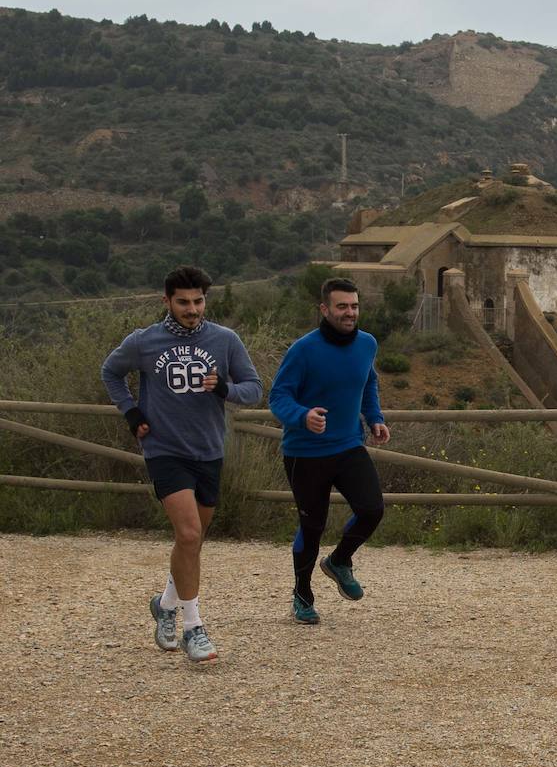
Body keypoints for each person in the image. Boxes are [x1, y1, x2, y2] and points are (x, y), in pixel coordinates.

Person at [101, 265, 263, 664]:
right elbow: (111, 372)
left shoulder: (225, 340)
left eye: (198, 301)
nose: (192, 309)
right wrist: (130, 411)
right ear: (167, 302)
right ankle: (193, 627)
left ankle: (166, 602)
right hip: (164, 449)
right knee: (189, 534)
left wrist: (225, 388)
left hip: (208, 450)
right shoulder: (144, 341)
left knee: (193, 541)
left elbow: (254, 390)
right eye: (184, 302)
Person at [269, 277, 390, 625]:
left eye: (354, 306)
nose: (349, 312)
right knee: (313, 526)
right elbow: (278, 397)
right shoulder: (303, 350)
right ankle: (303, 595)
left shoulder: (367, 344)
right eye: (342, 306)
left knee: (372, 509)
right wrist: (302, 416)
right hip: (304, 452)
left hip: (348, 444)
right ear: (325, 309)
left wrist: (375, 417)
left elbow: (368, 382)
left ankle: (339, 561)